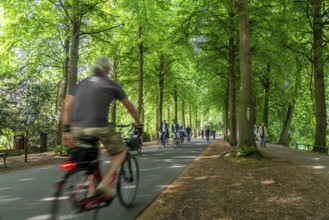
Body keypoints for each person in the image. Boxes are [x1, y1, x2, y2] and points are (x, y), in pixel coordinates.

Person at [62, 57, 143, 199]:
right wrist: (138, 122)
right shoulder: (112, 85)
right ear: (107, 70)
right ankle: (104, 183)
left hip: (77, 128)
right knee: (121, 151)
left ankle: (92, 190)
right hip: (98, 127)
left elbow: (67, 107)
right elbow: (131, 109)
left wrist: (67, 130)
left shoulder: (81, 84)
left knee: (91, 154)